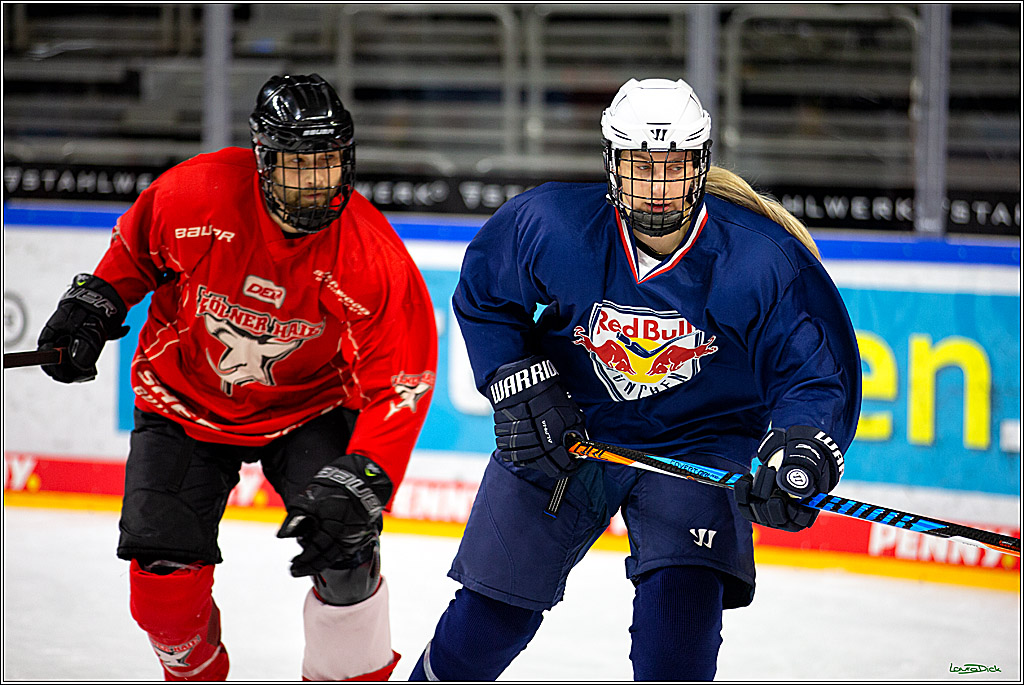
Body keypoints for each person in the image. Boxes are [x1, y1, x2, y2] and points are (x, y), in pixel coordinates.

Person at [407, 77, 861, 681]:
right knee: (489, 618)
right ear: (611, 165)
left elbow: (815, 370)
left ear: (700, 165)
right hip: (567, 432)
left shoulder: (759, 259)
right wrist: (519, 383)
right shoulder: (553, 224)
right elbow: (487, 296)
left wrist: (802, 445)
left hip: (699, 445)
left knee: (679, 627)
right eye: (639, 166)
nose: (656, 188)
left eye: (672, 167)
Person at [36, 73, 437, 681]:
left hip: (310, 409)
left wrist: (367, 477)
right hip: (180, 399)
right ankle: (194, 670)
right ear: (263, 161)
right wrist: (93, 304)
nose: (314, 182)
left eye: (326, 163)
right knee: (161, 587)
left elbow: (401, 382)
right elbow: (136, 253)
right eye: (296, 164)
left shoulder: (370, 256)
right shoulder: (196, 193)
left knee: (349, 556)